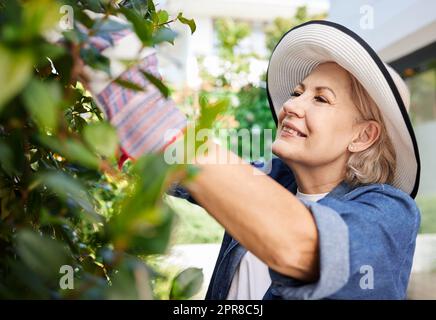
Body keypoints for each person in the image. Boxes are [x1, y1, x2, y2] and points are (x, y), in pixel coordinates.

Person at [85, 19, 421, 299]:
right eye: (298, 92)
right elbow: (196, 173)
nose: (291, 106)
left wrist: (149, 114)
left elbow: (300, 247)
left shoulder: (388, 212)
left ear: (363, 136)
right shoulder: (276, 181)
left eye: (321, 99)